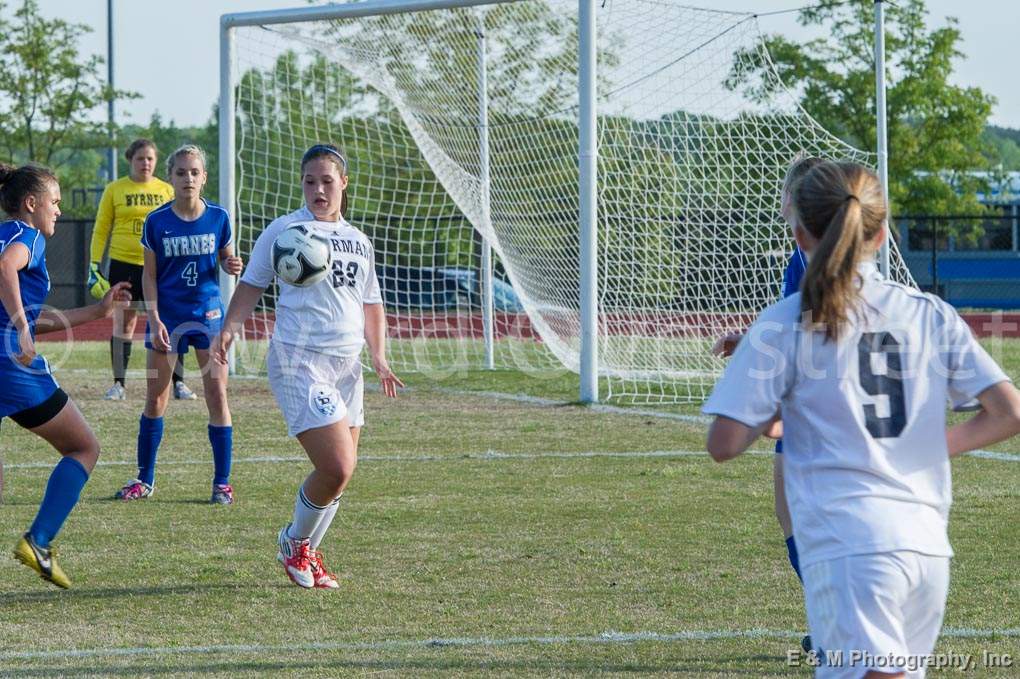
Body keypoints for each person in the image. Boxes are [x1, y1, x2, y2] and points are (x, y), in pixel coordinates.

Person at [703, 160, 1020, 679]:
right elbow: (1008, 412)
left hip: (852, 545)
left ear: (799, 231)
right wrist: (921, 449)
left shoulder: (782, 322)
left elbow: (724, 441)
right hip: (926, 543)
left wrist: (760, 380)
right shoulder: (929, 311)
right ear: (881, 230)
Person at [214, 143, 403, 589]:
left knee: (343, 473)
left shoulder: (358, 241)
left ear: (344, 183)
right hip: (300, 361)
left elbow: (371, 303)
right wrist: (229, 328)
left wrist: (378, 355)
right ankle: (294, 542)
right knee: (336, 465)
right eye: (310, 181)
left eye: (327, 181)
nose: (318, 189)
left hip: (347, 366)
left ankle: (308, 553)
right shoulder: (285, 231)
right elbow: (252, 285)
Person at [710, 154, 823, 652]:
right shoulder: (809, 259)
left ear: (796, 203)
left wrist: (758, 353)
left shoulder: (806, 258)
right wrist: (754, 336)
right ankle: (831, 617)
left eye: (784, 194)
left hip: (812, 401)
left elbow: (806, 325)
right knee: (797, 513)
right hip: (819, 398)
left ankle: (834, 618)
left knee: (799, 514)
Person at [0, 162, 132, 588]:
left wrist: (97, 311)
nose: (58, 210)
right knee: (84, 448)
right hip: (11, 368)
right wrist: (21, 327)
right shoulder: (26, 236)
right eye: (54, 202)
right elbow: (5, 269)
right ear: (31, 203)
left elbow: (31, 315)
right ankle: (38, 541)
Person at [114, 145, 242, 505]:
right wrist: (153, 316)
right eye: (181, 172)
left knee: (217, 395)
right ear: (170, 177)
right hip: (167, 318)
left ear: (204, 177)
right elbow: (149, 276)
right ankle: (145, 479)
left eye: (194, 172)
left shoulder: (219, 217)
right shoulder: (157, 221)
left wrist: (233, 265)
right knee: (155, 397)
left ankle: (222, 483)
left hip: (208, 318)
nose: (188, 178)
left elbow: (228, 260)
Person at [88, 138, 195, 401]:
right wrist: (93, 264)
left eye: (150, 158)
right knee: (124, 321)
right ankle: (119, 385)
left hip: (162, 264)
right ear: (130, 160)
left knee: (170, 320)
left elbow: (183, 222)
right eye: (140, 158)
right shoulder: (115, 189)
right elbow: (102, 228)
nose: (145, 163)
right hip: (124, 263)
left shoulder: (166, 190)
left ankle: (178, 383)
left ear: (156, 162)